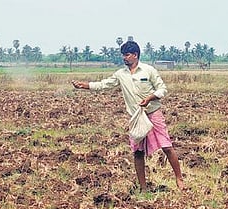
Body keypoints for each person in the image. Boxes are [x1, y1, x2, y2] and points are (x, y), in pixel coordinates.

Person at [72, 40, 185, 192]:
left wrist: (150, 98)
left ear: (135, 55)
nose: (124, 58)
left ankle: (179, 178)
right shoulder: (121, 74)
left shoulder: (148, 70)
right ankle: (143, 188)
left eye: (127, 55)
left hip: (152, 113)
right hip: (136, 117)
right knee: (138, 152)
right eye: (123, 55)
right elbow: (105, 84)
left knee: (167, 147)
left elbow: (162, 89)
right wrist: (85, 86)